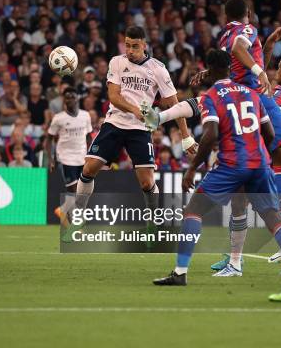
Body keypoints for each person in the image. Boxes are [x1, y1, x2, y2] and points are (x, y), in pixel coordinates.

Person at [153, 50, 281, 286]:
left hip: (232, 163)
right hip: (259, 163)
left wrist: (192, 169)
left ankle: (180, 272)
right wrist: (264, 161)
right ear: (230, 67)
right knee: (272, 217)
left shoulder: (212, 96)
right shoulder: (252, 94)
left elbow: (210, 136)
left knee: (193, 211)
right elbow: (270, 134)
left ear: (209, 69)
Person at [65, 26, 194, 247]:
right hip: (114, 123)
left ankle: (153, 221)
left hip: (140, 130)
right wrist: (136, 110)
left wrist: (186, 136)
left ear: (144, 45)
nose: (130, 50)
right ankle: (78, 218)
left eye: (135, 46)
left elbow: (175, 104)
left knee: (146, 182)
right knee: (88, 169)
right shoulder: (117, 62)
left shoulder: (158, 69)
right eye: (127, 44)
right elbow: (113, 97)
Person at [44, 87, 92, 229]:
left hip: (82, 157)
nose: (69, 99)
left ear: (77, 98)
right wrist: (51, 158)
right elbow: (49, 139)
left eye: (72, 96)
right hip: (65, 157)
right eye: (66, 97)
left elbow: (89, 136)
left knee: (82, 191)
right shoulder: (58, 118)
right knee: (74, 190)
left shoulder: (86, 116)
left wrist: (91, 154)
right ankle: (76, 223)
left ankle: (64, 210)